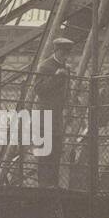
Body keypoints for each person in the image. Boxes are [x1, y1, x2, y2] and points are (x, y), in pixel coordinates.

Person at [34, 34, 74, 186]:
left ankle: (53, 184)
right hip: (45, 115)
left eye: (67, 53)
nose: (66, 56)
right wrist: (56, 77)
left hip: (57, 115)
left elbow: (66, 91)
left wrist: (69, 107)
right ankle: (44, 184)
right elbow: (39, 89)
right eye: (63, 53)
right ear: (57, 51)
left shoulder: (64, 68)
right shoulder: (46, 66)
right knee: (45, 150)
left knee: (56, 149)